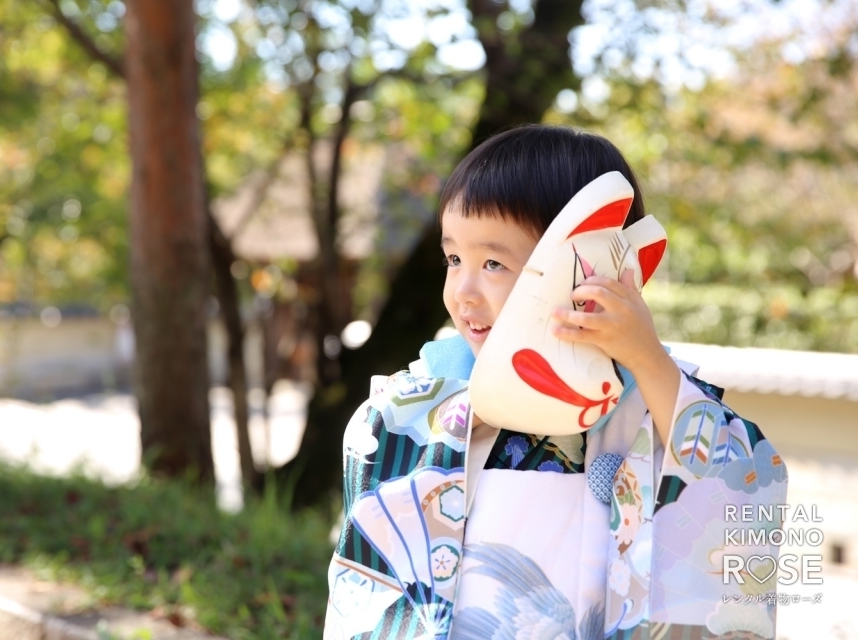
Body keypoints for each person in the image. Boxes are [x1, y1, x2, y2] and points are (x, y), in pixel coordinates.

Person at [324, 125, 787, 640]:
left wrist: (647, 361)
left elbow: (737, 476)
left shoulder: (652, 403)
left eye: (493, 263)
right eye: (454, 259)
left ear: (591, 271)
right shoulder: (417, 406)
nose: (462, 292)